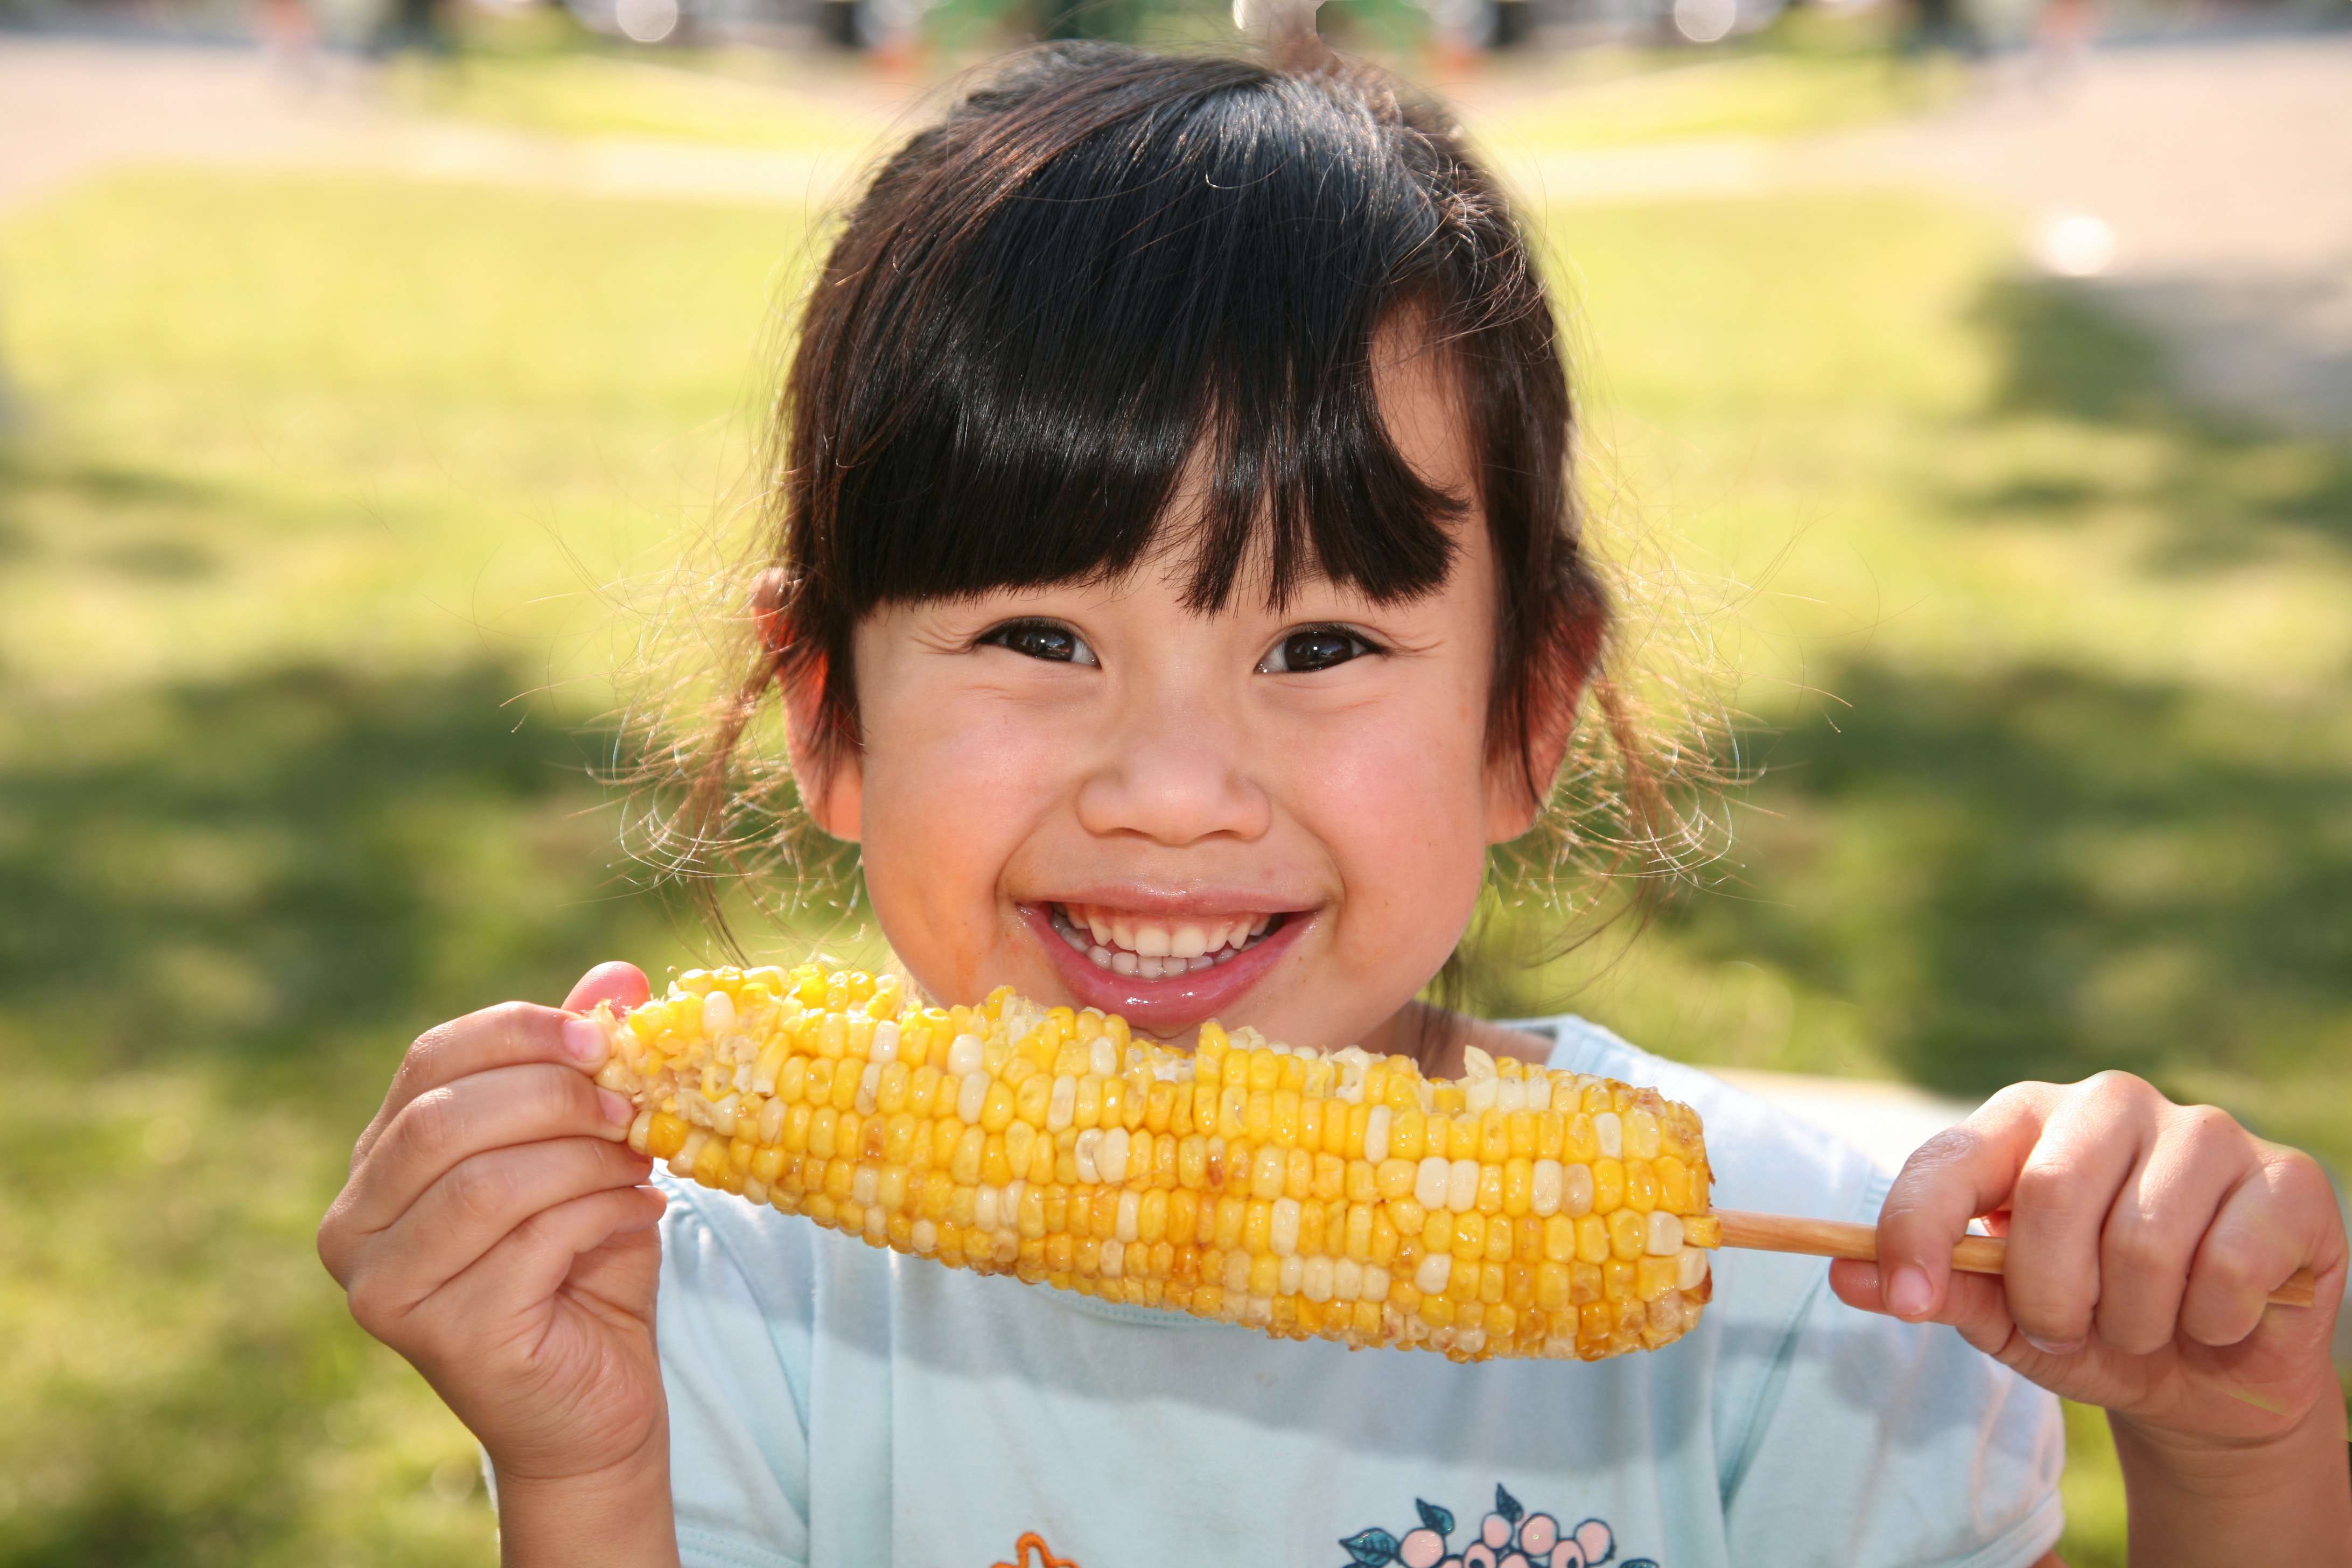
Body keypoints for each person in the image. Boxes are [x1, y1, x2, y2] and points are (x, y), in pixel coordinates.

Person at [316, 41, 2351, 1568]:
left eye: (1319, 647)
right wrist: (585, 1478)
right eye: (1036, 635)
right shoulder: (721, 1317)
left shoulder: (1821, 1314)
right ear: (825, 717)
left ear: (1525, 715)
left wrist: (2238, 1452)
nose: (1178, 795)